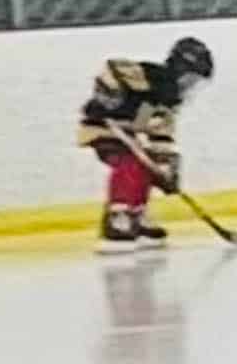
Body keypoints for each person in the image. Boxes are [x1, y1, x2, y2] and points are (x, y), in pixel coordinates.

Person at [79, 35, 215, 252]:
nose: (189, 86)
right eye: (190, 78)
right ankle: (118, 219)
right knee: (130, 162)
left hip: (127, 133)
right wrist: (110, 99)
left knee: (147, 168)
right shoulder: (151, 75)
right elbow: (112, 68)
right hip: (102, 127)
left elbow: (158, 131)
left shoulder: (168, 98)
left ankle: (137, 215)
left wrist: (165, 166)